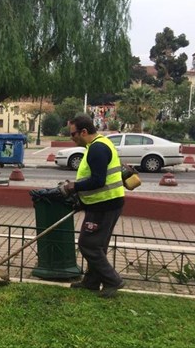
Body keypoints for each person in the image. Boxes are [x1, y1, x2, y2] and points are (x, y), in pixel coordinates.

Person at [61, 114, 126, 298]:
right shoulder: (97, 145)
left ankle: (113, 280)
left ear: (83, 131)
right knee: (98, 245)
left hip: (105, 204)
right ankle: (91, 282)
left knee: (88, 244)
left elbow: (98, 180)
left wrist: (74, 187)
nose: (71, 138)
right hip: (101, 203)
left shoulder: (98, 148)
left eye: (73, 134)